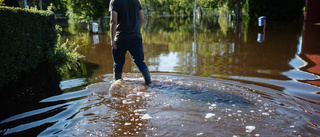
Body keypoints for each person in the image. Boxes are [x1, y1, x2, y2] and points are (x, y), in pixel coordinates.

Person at [109, 0, 151, 85]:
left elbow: (113, 21)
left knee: (118, 63)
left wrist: (112, 39)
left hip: (121, 38)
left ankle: (117, 85)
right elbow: (142, 19)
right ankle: (149, 83)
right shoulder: (136, 1)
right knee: (140, 61)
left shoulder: (114, 1)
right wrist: (136, 31)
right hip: (136, 38)